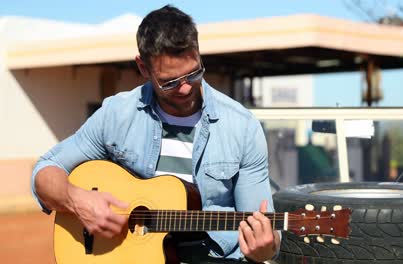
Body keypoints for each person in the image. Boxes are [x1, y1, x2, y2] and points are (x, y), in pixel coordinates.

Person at [31, 5, 280, 263]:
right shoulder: (117, 115)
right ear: (143, 67)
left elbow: (262, 225)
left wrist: (264, 248)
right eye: (170, 81)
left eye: (194, 73)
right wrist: (78, 201)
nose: (184, 89)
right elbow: (45, 171)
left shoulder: (242, 127)